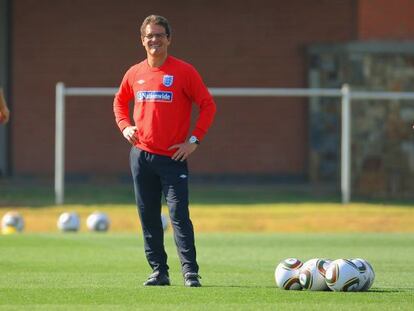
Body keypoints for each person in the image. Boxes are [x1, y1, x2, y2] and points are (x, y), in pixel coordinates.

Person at [113, 15, 216, 287]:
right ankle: (159, 271)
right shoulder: (134, 73)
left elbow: (208, 105)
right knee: (148, 217)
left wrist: (194, 140)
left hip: (173, 158)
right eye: (149, 36)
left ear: (169, 39)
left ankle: (190, 272)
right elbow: (120, 102)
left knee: (179, 215)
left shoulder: (183, 71)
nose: (154, 40)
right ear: (142, 40)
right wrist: (125, 126)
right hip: (141, 156)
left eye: (159, 35)